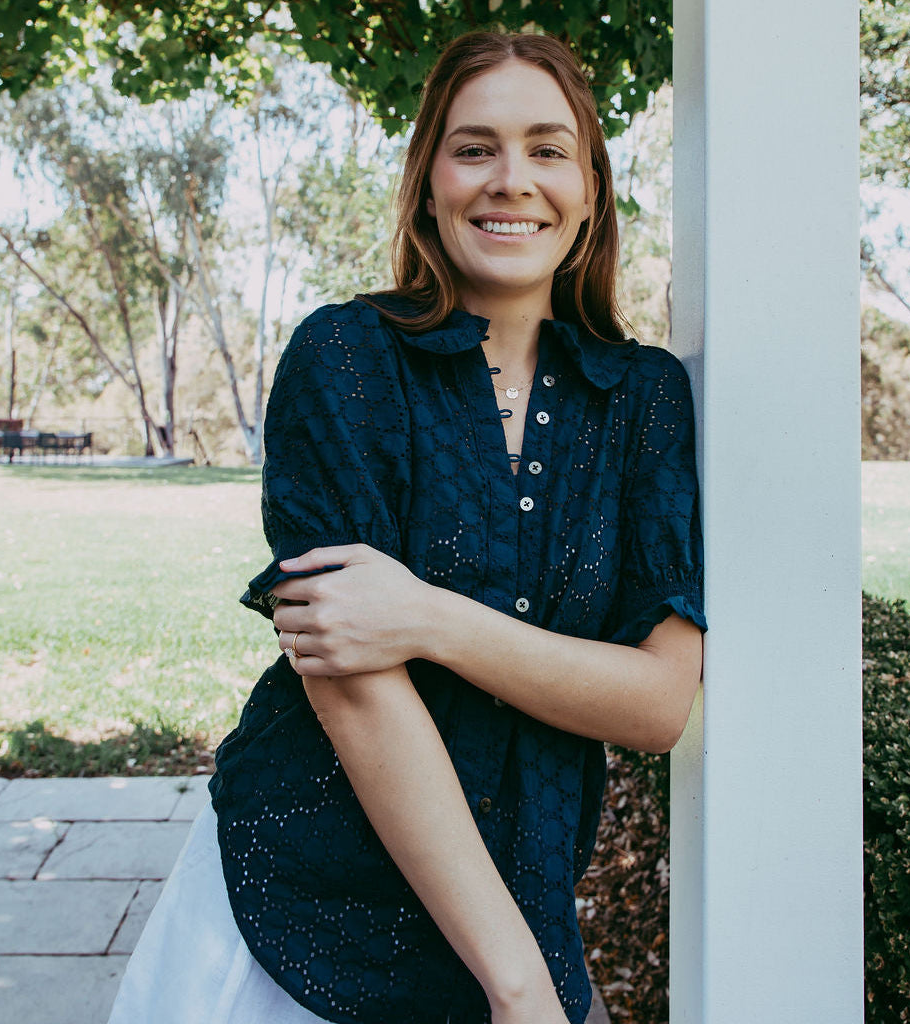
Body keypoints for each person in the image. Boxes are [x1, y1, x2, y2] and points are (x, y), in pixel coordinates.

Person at [108, 29, 705, 1024]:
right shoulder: (344, 360)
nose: (510, 180)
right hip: (300, 915)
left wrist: (428, 617)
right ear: (428, 181)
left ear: (592, 188)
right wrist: (515, 988)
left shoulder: (643, 398)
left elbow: (653, 702)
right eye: (474, 148)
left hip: (529, 914)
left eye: (547, 150)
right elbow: (347, 675)